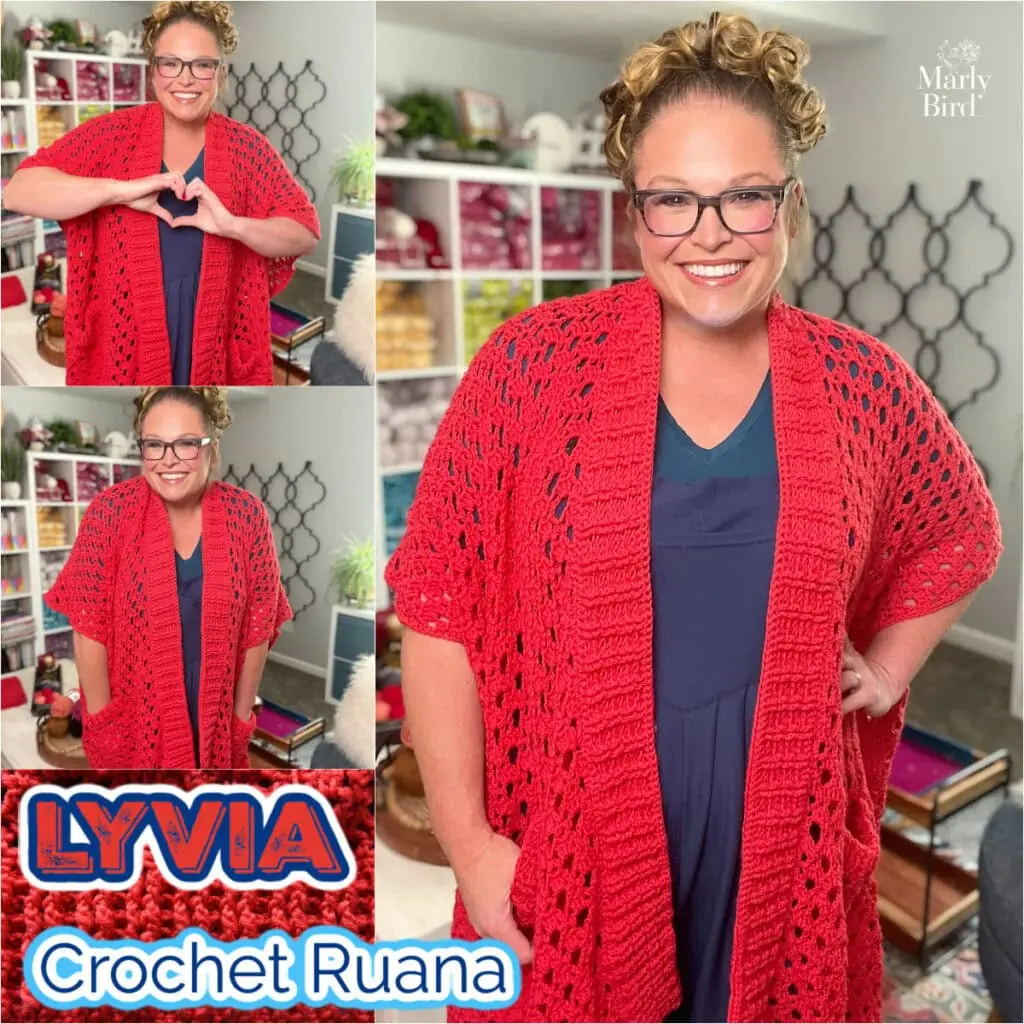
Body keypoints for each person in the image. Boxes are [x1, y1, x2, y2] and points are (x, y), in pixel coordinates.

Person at [384, 12, 1003, 1024]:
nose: (707, 234)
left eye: (743, 198)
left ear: (790, 207)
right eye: (673, 200)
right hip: (577, 840)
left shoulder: (863, 384)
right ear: (635, 217)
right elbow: (439, 607)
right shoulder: (531, 369)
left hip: (781, 847)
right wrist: (465, 839)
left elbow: (961, 529)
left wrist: (886, 667)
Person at [3, 1, 320, 386]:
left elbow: (304, 232)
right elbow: (18, 192)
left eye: (202, 65)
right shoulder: (109, 135)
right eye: (170, 63)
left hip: (217, 342)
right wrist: (117, 191)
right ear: (153, 73)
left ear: (219, 74)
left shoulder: (248, 149)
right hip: (124, 343)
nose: (185, 79)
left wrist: (233, 225)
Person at [45, 387, 291, 769]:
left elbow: (259, 625)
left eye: (186, 444)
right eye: (154, 445)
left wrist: (240, 716)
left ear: (210, 447)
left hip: (217, 711)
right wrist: (103, 720)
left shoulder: (247, 516)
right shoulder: (109, 513)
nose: (168, 461)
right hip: (135, 712)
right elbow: (87, 629)